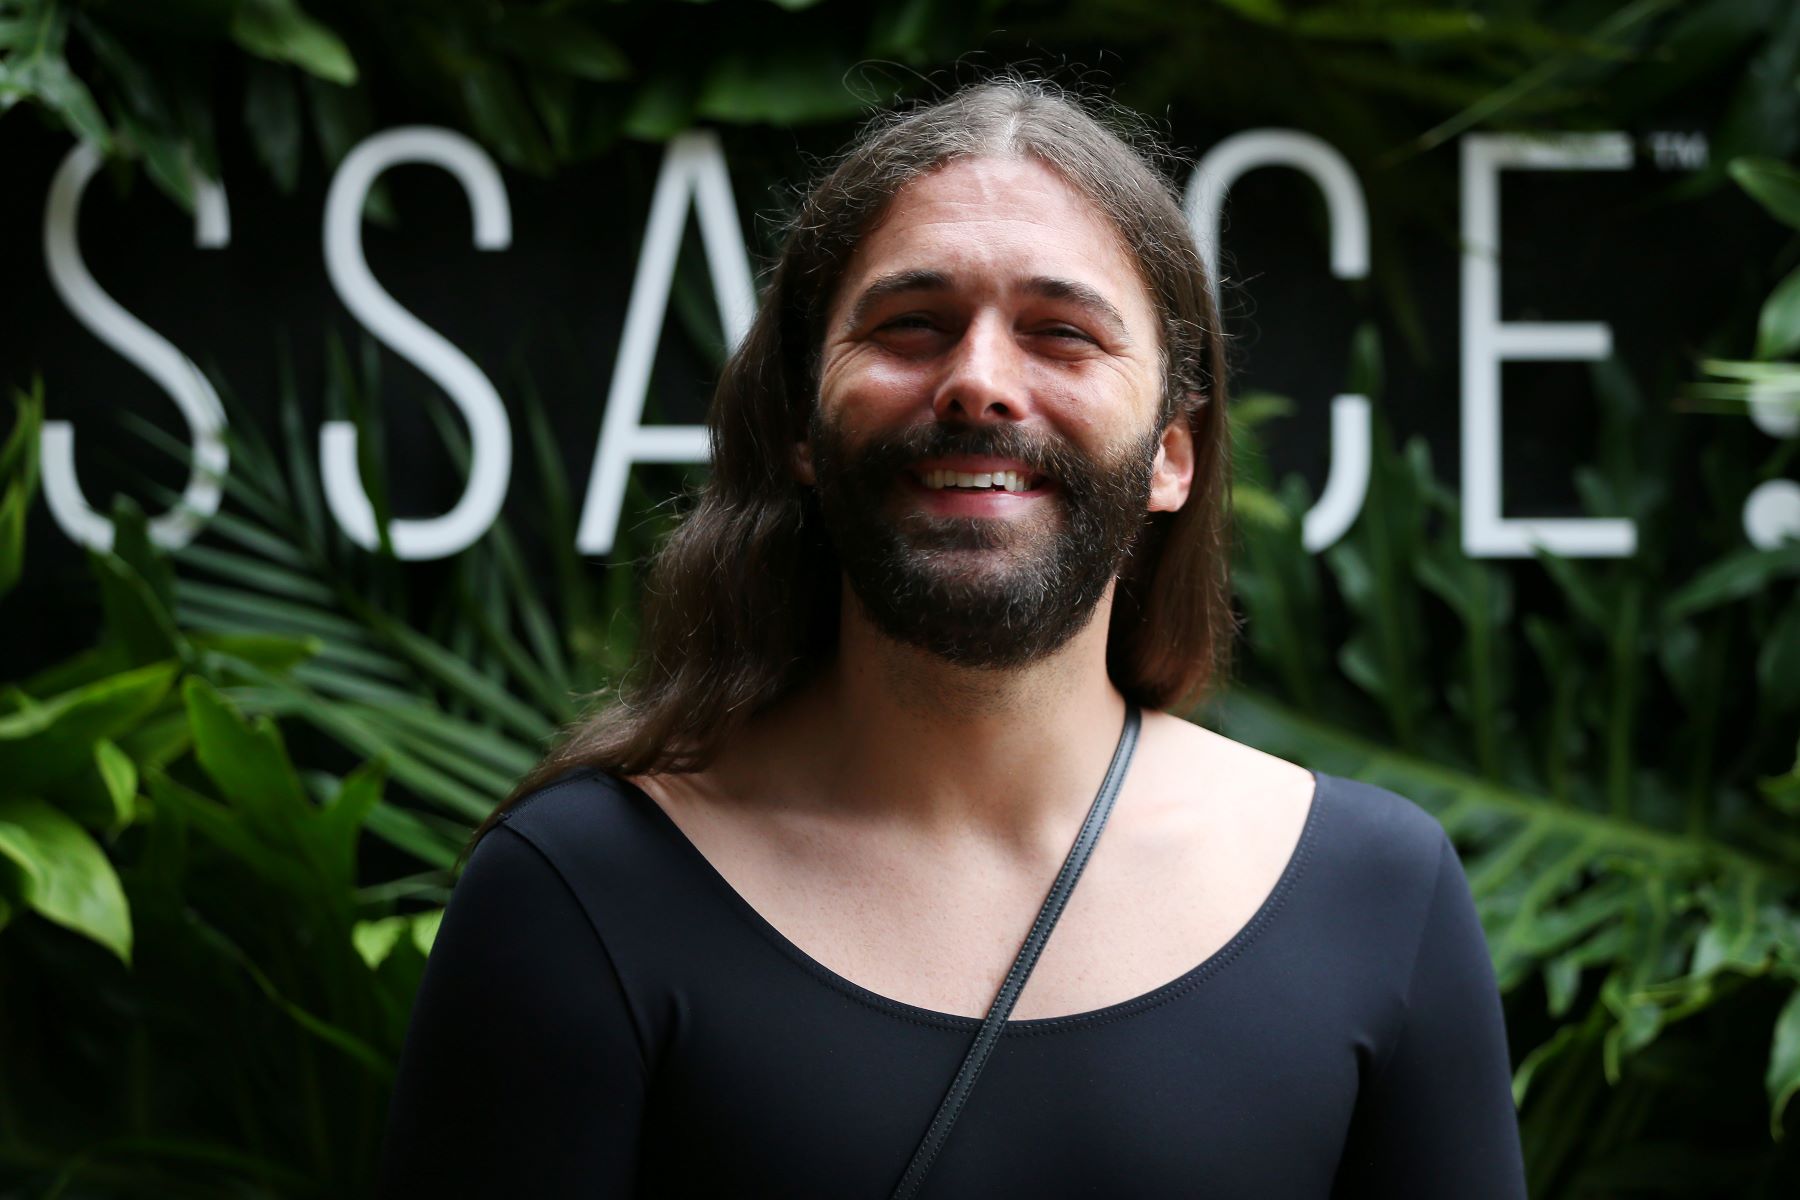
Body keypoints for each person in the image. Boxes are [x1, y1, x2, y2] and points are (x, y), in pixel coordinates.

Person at [375, 78, 1527, 1198]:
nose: (978, 383)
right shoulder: (584, 889)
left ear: (1173, 454)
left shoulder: (1378, 894)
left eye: (1063, 334)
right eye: (913, 325)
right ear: (804, 432)